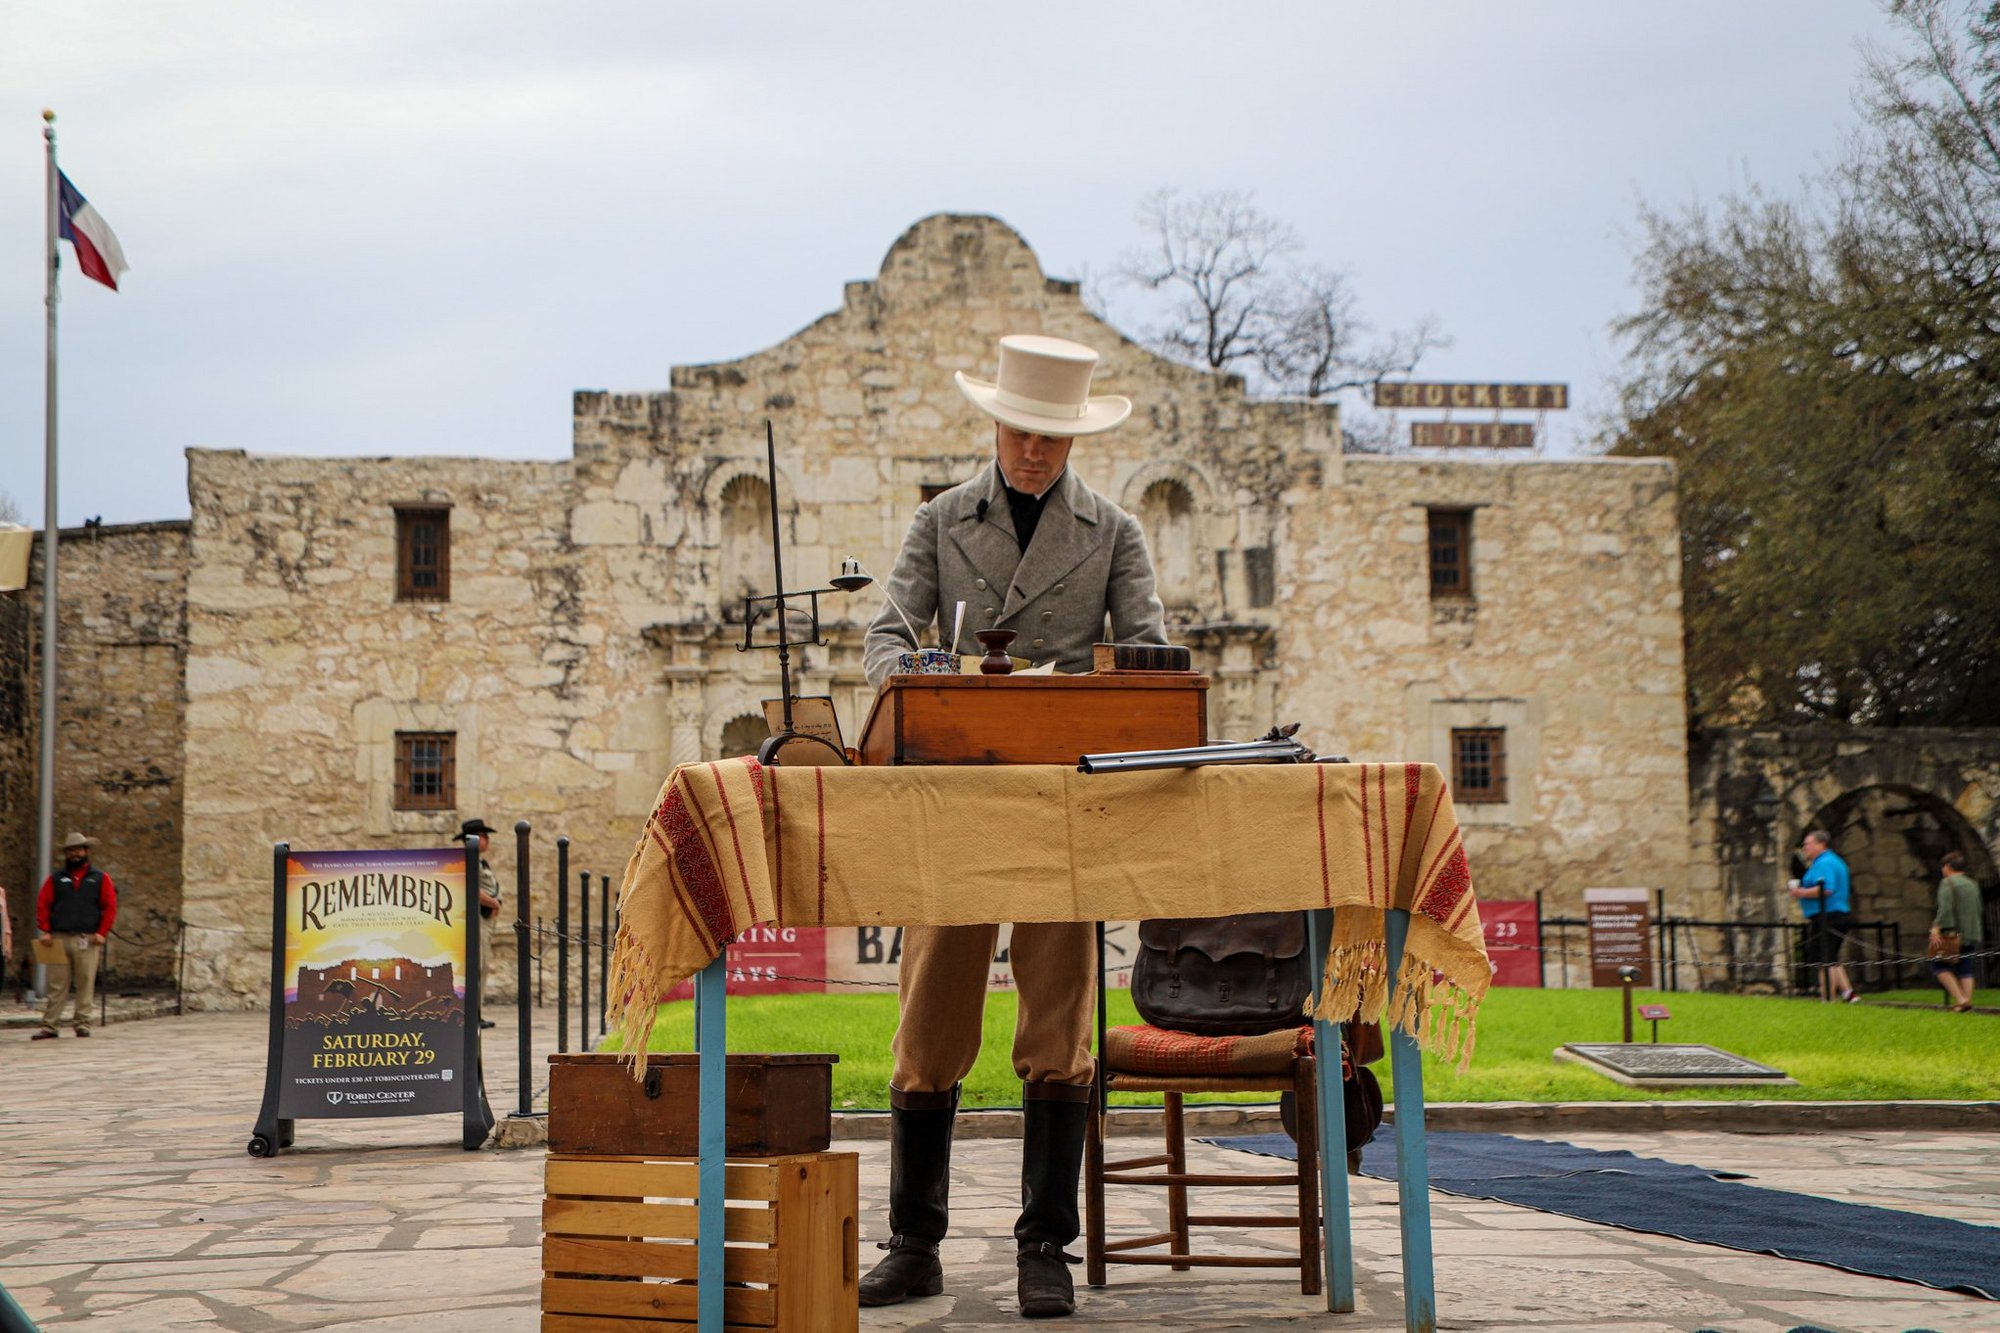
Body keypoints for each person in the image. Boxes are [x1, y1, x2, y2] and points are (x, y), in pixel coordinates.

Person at [859, 333, 1166, 1319]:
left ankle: (1044, 1247)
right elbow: (883, 638)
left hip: (1060, 796)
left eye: (1049, 437)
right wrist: (922, 684)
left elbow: (1149, 652)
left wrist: (1101, 686)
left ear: (1071, 438)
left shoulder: (1112, 532)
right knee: (931, 1011)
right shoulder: (941, 522)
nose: (1032, 450)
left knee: (1058, 1014)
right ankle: (913, 1243)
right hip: (955, 794)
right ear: (994, 424)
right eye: (1019, 432)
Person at [32, 831, 117, 1039]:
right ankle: (50, 1025)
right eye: (70, 850)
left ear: (86, 851)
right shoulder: (56, 879)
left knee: (85, 981)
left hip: (87, 938)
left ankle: (82, 1023)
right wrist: (45, 930)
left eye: (78, 849)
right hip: (58, 938)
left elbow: (110, 907)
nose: (74, 854)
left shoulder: (100, 878)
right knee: (56, 984)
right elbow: (43, 904)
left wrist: (101, 932)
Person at [1789, 828, 1858, 1002]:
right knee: (1831, 957)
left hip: (1828, 915)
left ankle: (1827, 998)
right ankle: (1849, 994)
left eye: (1808, 844)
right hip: (1837, 913)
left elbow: (1826, 888)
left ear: (1821, 844)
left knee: (1823, 959)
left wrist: (1801, 892)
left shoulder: (1824, 863)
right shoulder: (1833, 861)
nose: (1805, 848)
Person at [460, 818, 503, 1028]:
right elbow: (471, 888)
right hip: (476, 918)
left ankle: (477, 1012)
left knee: (483, 965)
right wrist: (493, 902)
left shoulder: (479, 861)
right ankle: (473, 1016)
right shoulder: (469, 861)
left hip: (485, 919)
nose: (488, 840)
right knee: (478, 965)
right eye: (484, 836)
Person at [1930, 850, 1983, 1012]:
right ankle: (1967, 1001)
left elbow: (1945, 909)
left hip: (1952, 934)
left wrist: (1936, 929)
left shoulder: (1948, 883)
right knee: (1965, 967)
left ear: (1947, 867)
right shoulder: (1972, 884)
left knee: (1938, 966)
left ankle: (1960, 999)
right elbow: (1978, 907)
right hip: (1971, 932)